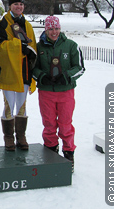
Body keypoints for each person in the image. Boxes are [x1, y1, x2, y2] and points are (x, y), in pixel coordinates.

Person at [33, 16, 85, 172]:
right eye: (50, 29)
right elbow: (33, 68)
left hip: (65, 92)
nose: (54, 32)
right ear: (46, 30)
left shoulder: (71, 46)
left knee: (65, 124)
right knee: (49, 124)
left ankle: (69, 153)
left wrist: (67, 76)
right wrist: (42, 76)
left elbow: (80, 67)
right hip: (46, 92)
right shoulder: (39, 47)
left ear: (60, 29)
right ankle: (50, 152)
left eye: (56, 29)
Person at [0, 0, 37, 151]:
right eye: (16, 4)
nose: (19, 7)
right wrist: (18, 47)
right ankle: (8, 137)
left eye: (21, 4)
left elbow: (33, 47)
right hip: (9, 70)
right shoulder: (2, 23)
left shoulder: (28, 25)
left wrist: (30, 52)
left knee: (22, 105)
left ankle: (21, 136)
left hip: (24, 70)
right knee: (9, 104)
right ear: (10, 6)